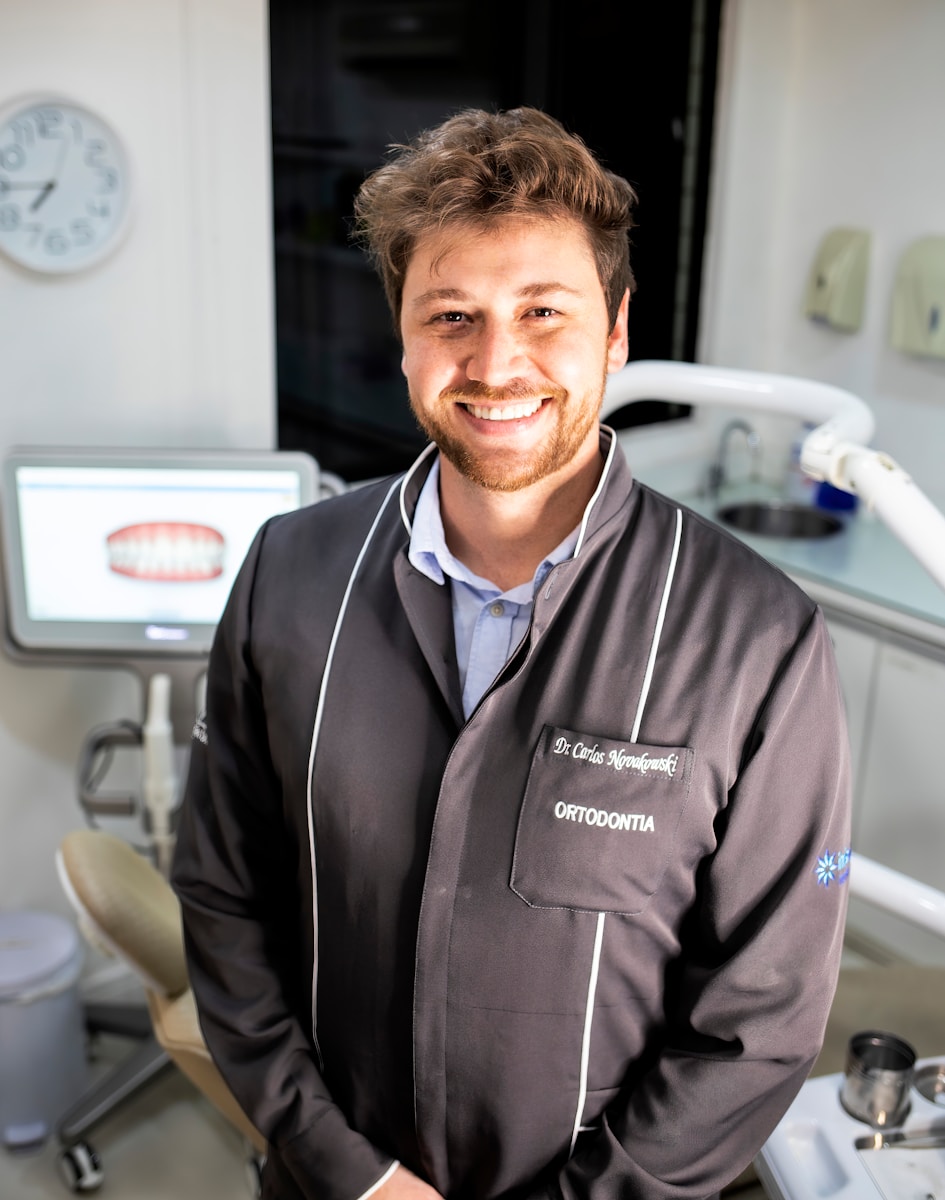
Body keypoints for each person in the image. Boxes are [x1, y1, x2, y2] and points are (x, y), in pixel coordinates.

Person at [172, 108, 851, 1200]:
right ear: (403, 336)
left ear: (617, 329)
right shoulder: (288, 579)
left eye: (544, 311)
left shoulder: (757, 638)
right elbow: (220, 896)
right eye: (452, 315)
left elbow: (761, 1015)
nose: (497, 363)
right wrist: (352, 1172)